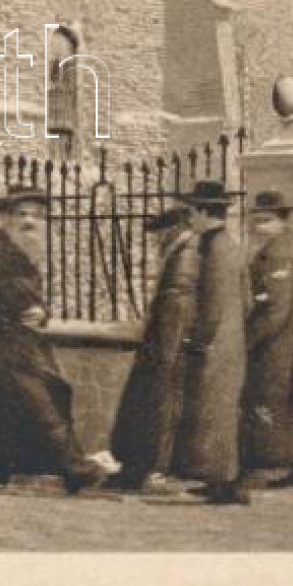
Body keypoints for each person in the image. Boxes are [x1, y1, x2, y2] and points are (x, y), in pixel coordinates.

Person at [0, 186, 106, 495]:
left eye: (36, 215)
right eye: (21, 214)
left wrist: (40, 313)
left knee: (42, 399)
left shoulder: (23, 251)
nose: (30, 221)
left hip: (21, 345)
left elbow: (26, 298)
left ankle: (34, 470)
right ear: (6, 218)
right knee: (29, 406)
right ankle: (72, 469)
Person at [108, 204, 199, 490]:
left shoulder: (184, 256)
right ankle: (138, 465)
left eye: (159, 234)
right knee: (145, 403)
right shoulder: (181, 252)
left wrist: (165, 351)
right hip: (159, 342)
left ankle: (149, 468)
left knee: (157, 404)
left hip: (165, 345)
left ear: (172, 230)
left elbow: (176, 306)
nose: (157, 241)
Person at [174, 180, 251, 505]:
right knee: (216, 413)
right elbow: (246, 300)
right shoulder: (229, 245)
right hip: (230, 340)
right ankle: (218, 480)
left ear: (205, 212)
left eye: (192, 212)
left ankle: (225, 484)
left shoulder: (215, 249)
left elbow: (214, 303)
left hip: (217, 345)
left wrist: (199, 339)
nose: (190, 218)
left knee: (215, 413)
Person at [241, 191, 293, 488]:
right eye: (255, 221)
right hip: (274, 344)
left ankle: (275, 465)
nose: (259, 227)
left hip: (270, 346)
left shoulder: (277, 254)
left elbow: (275, 310)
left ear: (282, 223)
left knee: (268, 402)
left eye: (266, 221)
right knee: (282, 403)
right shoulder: (270, 251)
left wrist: (247, 341)